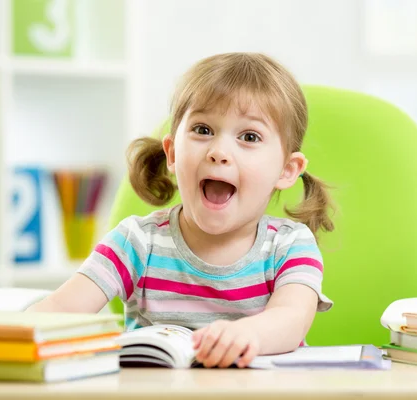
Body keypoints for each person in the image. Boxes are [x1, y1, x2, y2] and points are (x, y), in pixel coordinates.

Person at [27, 52, 335, 368]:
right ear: (172, 153)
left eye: (249, 136)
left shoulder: (289, 245)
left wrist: (245, 335)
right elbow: (61, 308)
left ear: (287, 169)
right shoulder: (135, 242)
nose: (219, 152)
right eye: (203, 130)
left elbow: (292, 318)